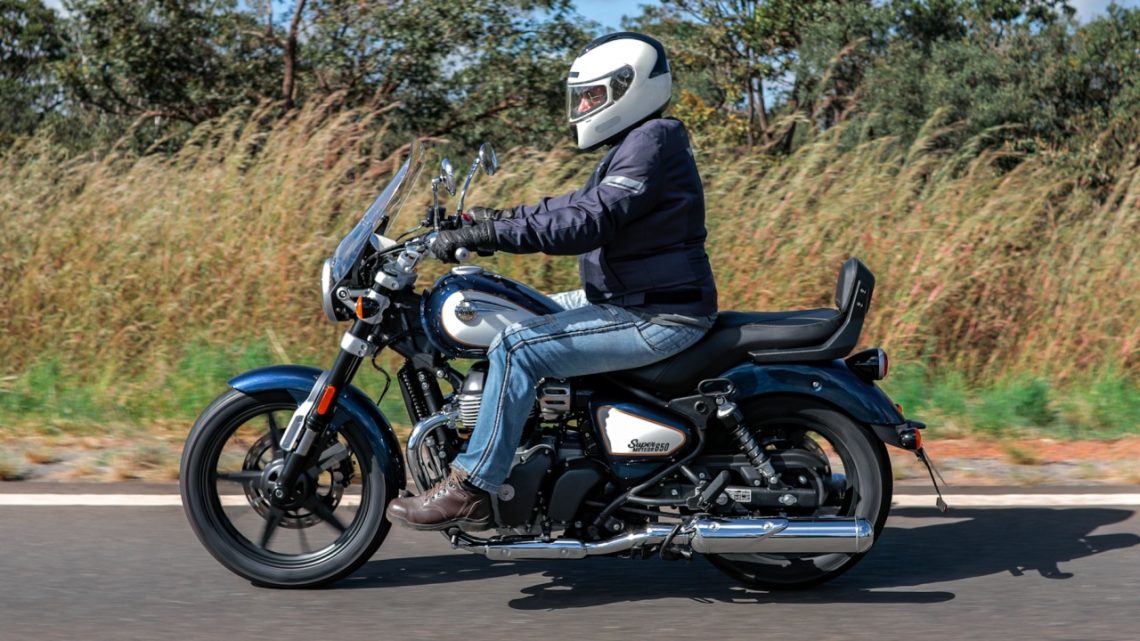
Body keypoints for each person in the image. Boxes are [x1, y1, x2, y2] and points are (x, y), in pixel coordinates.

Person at [385, 32, 719, 531]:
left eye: (592, 95)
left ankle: (473, 487)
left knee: (517, 346)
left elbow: (589, 220)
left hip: (657, 313)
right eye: (581, 97)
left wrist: (490, 234)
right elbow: (572, 206)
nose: (582, 107)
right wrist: (492, 218)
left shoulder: (652, 141)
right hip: (632, 296)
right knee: (518, 308)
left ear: (629, 87)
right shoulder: (640, 143)